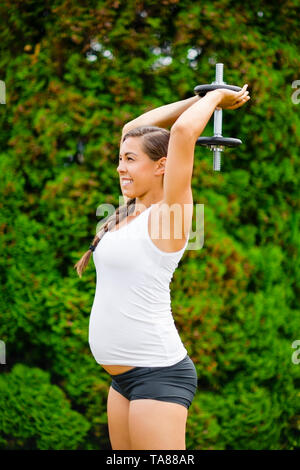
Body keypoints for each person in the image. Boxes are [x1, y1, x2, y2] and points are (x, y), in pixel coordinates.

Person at [74, 85, 250, 450]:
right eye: (120, 158)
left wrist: (217, 98)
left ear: (162, 166)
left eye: (130, 159)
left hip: (159, 375)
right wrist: (196, 99)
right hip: (122, 381)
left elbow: (185, 133)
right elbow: (133, 126)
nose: (120, 167)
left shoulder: (169, 216)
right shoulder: (130, 208)